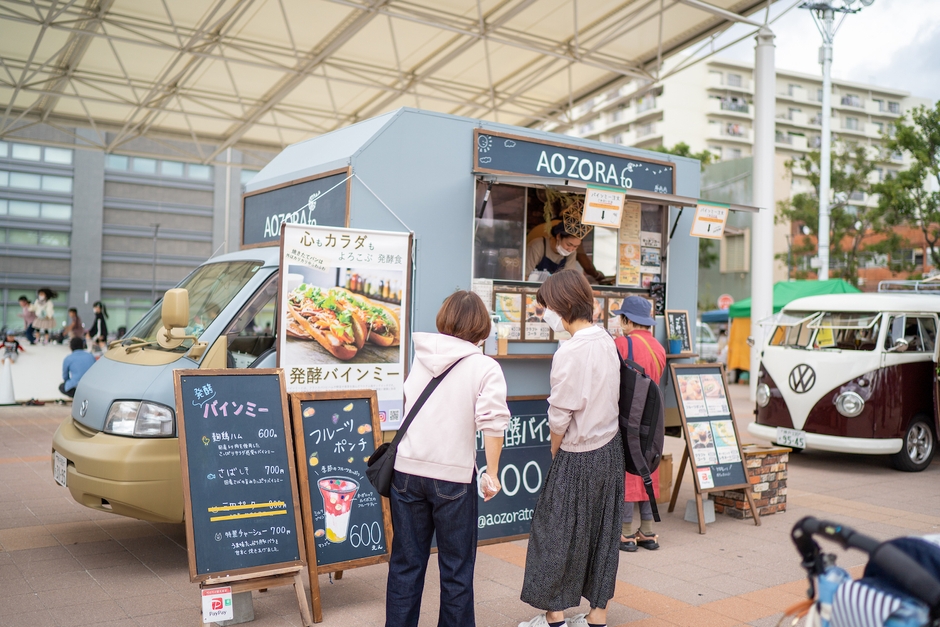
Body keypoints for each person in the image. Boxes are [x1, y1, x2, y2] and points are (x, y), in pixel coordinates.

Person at [386, 290, 509, 627]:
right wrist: (492, 473)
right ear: (482, 328)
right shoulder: (485, 367)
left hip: (407, 473)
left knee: (405, 565)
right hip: (453, 479)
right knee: (456, 571)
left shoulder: (421, 357)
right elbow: (493, 424)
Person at [519, 270, 623, 627]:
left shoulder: (569, 351)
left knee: (554, 533)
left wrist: (554, 453)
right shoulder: (607, 341)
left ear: (561, 306)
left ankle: (555, 617)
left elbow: (559, 417)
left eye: (545, 306)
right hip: (610, 450)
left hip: (576, 453)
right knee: (602, 533)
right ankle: (597, 614)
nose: (544, 314)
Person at [612, 296, 666, 553]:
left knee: (627, 469)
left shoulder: (621, 344)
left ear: (627, 320)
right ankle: (648, 531)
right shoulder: (659, 347)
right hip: (653, 417)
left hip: (628, 415)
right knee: (648, 467)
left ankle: (625, 533)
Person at [525, 202, 594, 280]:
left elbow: (568, 279)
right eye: (568, 244)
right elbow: (524, 277)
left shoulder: (571, 253)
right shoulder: (537, 246)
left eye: (575, 246)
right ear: (558, 236)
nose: (571, 249)